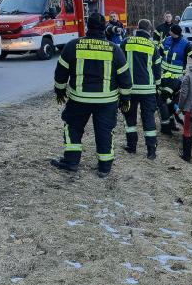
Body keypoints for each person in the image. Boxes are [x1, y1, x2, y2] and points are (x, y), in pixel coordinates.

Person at [52, 12, 132, 177]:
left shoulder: (73, 45)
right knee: (104, 131)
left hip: (78, 99)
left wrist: (60, 91)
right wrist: (125, 98)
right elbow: (125, 78)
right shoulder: (114, 50)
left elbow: (60, 73)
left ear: (88, 26)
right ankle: (104, 167)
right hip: (107, 102)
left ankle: (71, 162)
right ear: (105, 28)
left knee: (73, 128)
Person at [120, 19, 161, 160]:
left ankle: (131, 147)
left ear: (137, 28)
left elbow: (119, 64)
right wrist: (157, 86)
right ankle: (151, 151)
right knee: (148, 119)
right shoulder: (153, 46)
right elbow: (157, 69)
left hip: (130, 89)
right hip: (148, 90)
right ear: (149, 31)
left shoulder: (126, 42)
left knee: (130, 118)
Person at [158, 24, 192, 135]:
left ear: (174, 33)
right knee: (168, 101)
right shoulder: (166, 40)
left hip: (176, 78)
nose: (169, 32)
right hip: (164, 76)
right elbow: (158, 53)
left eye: (170, 31)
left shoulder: (185, 44)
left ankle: (167, 127)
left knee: (163, 99)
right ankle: (171, 124)